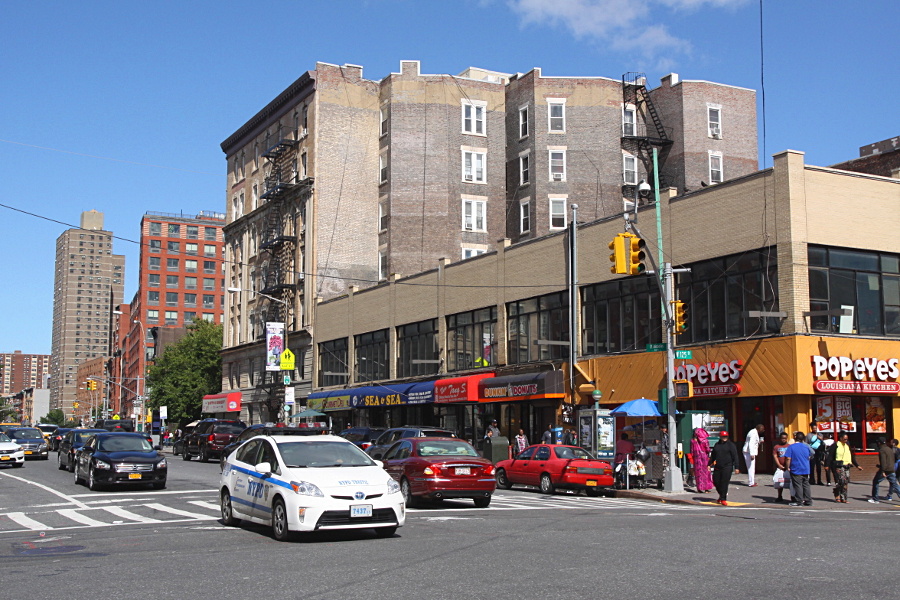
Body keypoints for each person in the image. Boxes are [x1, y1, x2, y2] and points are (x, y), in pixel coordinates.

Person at [828, 432, 862, 503]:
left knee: (845, 482)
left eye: (847, 439)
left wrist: (857, 465)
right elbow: (830, 456)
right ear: (840, 438)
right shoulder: (835, 445)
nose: (846, 440)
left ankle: (844, 498)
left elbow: (852, 457)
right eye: (844, 439)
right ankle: (837, 494)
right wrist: (827, 465)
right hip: (838, 466)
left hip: (847, 466)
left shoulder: (847, 446)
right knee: (842, 481)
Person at [709, 430, 740, 506]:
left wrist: (737, 467)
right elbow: (713, 456)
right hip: (718, 466)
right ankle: (721, 494)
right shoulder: (717, 445)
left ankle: (723, 498)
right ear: (720, 437)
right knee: (716, 481)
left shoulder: (731, 445)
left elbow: (735, 456)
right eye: (723, 436)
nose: (724, 438)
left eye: (726, 436)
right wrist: (709, 464)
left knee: (724, 483)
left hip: (727, 466)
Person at [784, 431, 814, 507]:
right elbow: (810, 455)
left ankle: (799, 501)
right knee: (806, 485)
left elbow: (788, 458)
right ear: (803, 439)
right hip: (805, 468)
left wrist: (787, 467)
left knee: (798, 485)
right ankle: (808, 500)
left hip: (796, 468)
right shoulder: (806, 447)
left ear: (795, 438)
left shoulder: (791, 447)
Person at [869, 437, 900, 503]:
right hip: (891, 469)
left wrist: (883, 471)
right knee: (895, 484)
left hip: (885, 470)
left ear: (879, 443)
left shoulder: (882, 450)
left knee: (875, 482)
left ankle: (875, 498)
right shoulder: (889, 449)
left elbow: (883, 461)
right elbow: (892, 460)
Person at [690, 428, 713, 494]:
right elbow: (708, 449)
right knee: (706, 473)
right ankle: (706, 488)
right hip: (704, 458)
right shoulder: (705, 441)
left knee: (698, 473)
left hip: (697, 459)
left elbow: (691, 451)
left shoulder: (693, 441)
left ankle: (699, 488)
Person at [772, 431, 791, 503]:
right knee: (779, 482)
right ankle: (779, 496)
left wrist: (787, 466)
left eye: (785, 438)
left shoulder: (789, 446)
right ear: (780, 438)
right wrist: (779, 465)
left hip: (788, 467)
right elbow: (775, 456)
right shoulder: (777, 447)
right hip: (780, 467)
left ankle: (792, 496)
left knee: (790, 482)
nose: (784, 440)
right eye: (782, 438)